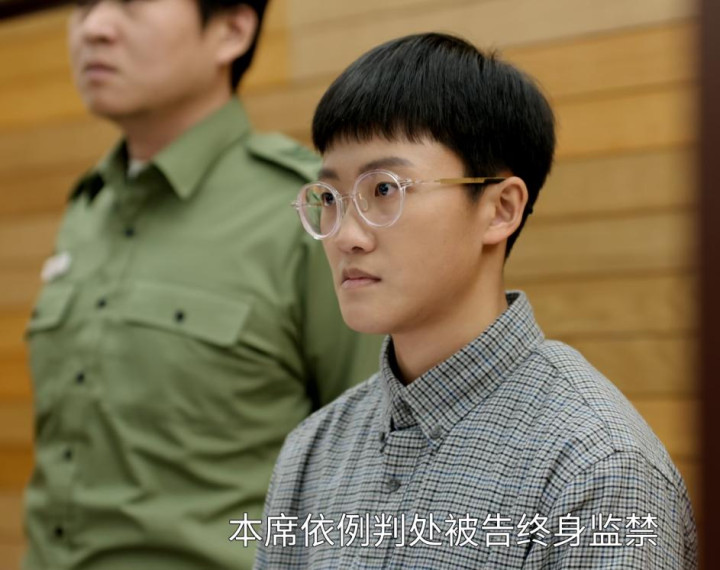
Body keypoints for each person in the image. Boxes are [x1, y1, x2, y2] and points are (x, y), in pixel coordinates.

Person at [255, 33, 698, 569]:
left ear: (500, 209)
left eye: (385, 189)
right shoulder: (313, 449)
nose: (346, 235)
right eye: (329, 198)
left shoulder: (597, 465)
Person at [23, 1, 381, 569]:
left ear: (231, 30)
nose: (94, 27)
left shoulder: (308, 217)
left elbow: (377, 460)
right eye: (84, 4)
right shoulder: (89, 207)